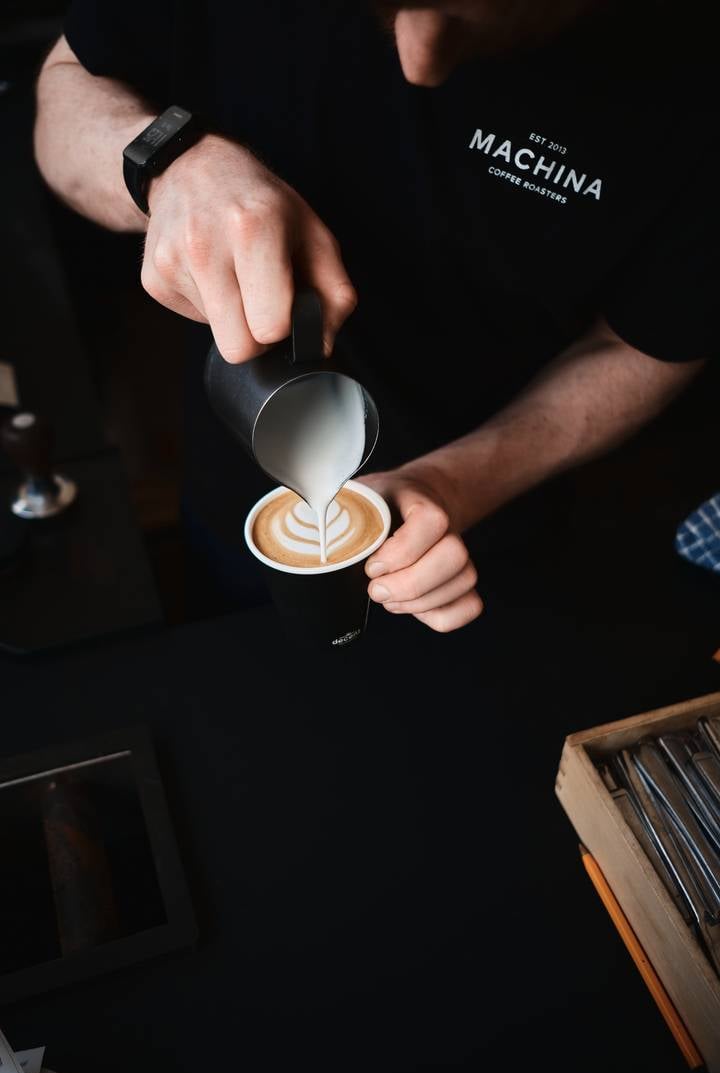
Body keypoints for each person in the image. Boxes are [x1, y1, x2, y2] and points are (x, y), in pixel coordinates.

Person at [34, 0, 716, 632]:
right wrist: (166, 165)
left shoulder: (692, 64)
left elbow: (651, 339)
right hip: (231, 481)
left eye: (468, 13)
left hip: (499, 525)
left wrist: (456, 480)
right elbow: (66, 87)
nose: (419, 58)